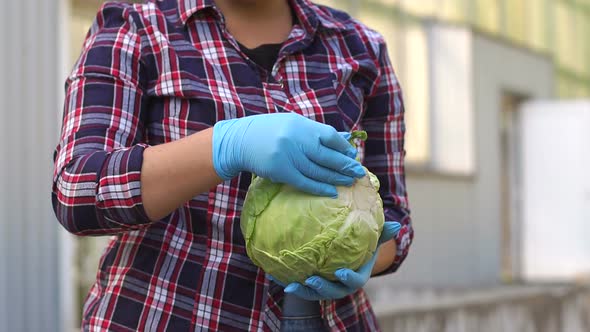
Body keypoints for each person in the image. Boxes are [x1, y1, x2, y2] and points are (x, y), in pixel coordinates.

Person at [51, 0, 413, 330]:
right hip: (164, 315)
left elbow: (394, 217)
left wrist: (362, 259)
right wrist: (224, 146)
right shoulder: (136, 28)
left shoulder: (361, 48)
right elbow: (77, 190)